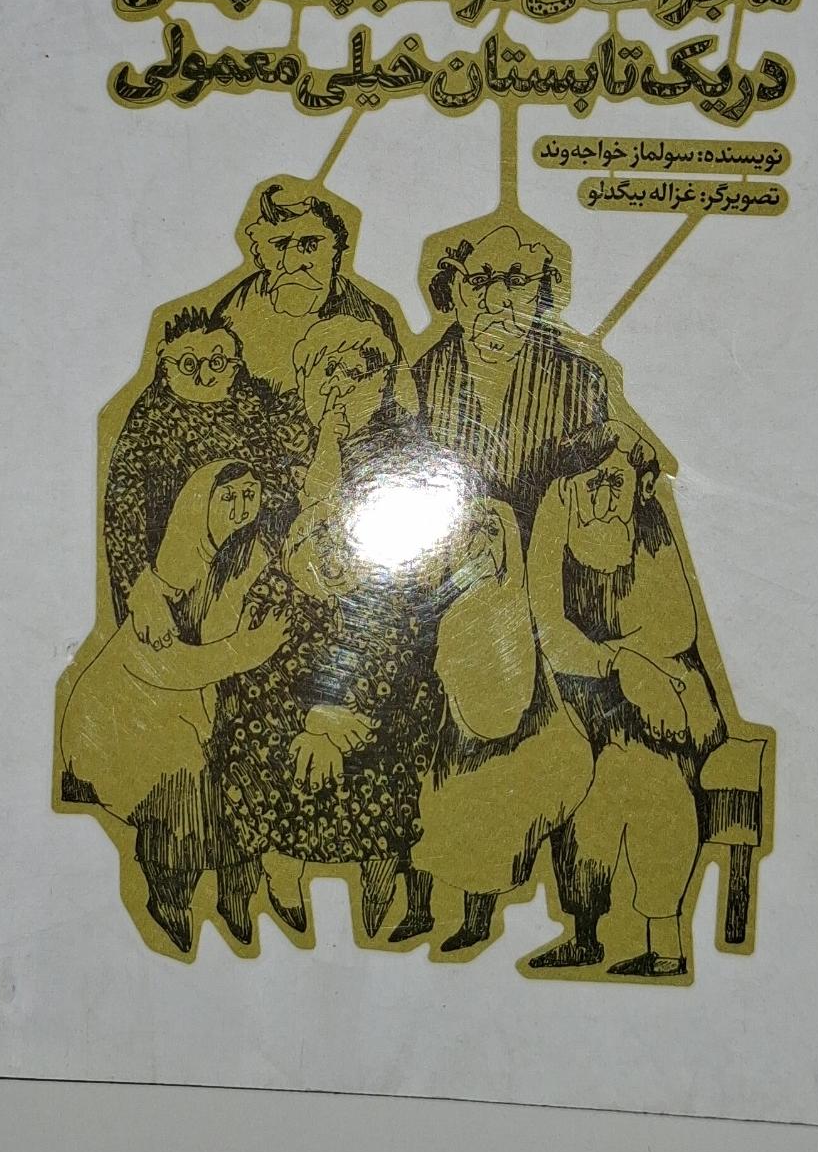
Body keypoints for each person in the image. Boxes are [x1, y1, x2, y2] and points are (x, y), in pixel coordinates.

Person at [208, 317, 450, 941]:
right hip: (287, 616)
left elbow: (409, 607)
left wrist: (342, 710)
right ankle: (280, 875)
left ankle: (380, 885)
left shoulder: (404, 456)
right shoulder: (276, 451)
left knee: (393, 726)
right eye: (327, 372)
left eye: (357, 373)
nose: (340, 385)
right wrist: (309, 711)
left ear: (382, 383)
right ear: (305, 379)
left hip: (381, 627)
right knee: (259, 718)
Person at [59, 461, 290, 954]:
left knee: (238, 778)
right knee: (182, 792)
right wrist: (245, 652)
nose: (241, 508)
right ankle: (170, 900)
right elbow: (165, 666)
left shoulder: (250, 555)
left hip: (195, 710)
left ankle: (235, 898)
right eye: (228, 498)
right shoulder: (167, 578)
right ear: (200, 504)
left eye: (250, 495)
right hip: (126, 722)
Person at [527, 423, 727, 976]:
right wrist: (616, 663)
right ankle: (584, 933)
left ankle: (665, 943)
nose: (603, 494)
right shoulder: (555, 515)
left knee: (648, 774)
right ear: (571, 484)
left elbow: (678, 626)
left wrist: (636, 665)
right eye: (591, 482)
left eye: (615, 481)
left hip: (667, 688)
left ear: (638, 485)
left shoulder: (649, 521)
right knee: (586, 777)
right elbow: (549, 629)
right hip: (585, 690)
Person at [409, 497, 594, 955]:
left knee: (485, 806)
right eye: (470, 531)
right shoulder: (443, 601)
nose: (480, 542)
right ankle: (419, 911)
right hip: (454, 739)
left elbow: (506, 709)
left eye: (492, 532)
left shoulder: (510, 603)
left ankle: (476, 920)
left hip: (519, 745)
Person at [100, 305, 303, 642]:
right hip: (172, 578)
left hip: (247, 562)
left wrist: (261, 556)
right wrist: (140, 587)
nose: (205, 376)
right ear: (165, 363)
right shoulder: (149, 422)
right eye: (189, 364)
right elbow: (122, 514)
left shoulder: (249, 408)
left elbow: (278, 489)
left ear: (235, 363)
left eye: (218, 363)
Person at [411, 218, 607, 535]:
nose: (496, 300)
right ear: (453, 290)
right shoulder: (422, 374)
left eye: (517, 281)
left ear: (541, 293)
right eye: (478, 280)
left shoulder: (580, 381)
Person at [213, 178, 402, 398]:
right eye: (280, 245)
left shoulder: (373, 318)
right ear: (260, 254)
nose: (292, 263)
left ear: (336, 254)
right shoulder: (229, 318)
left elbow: (400, 404)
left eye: (311, 245)